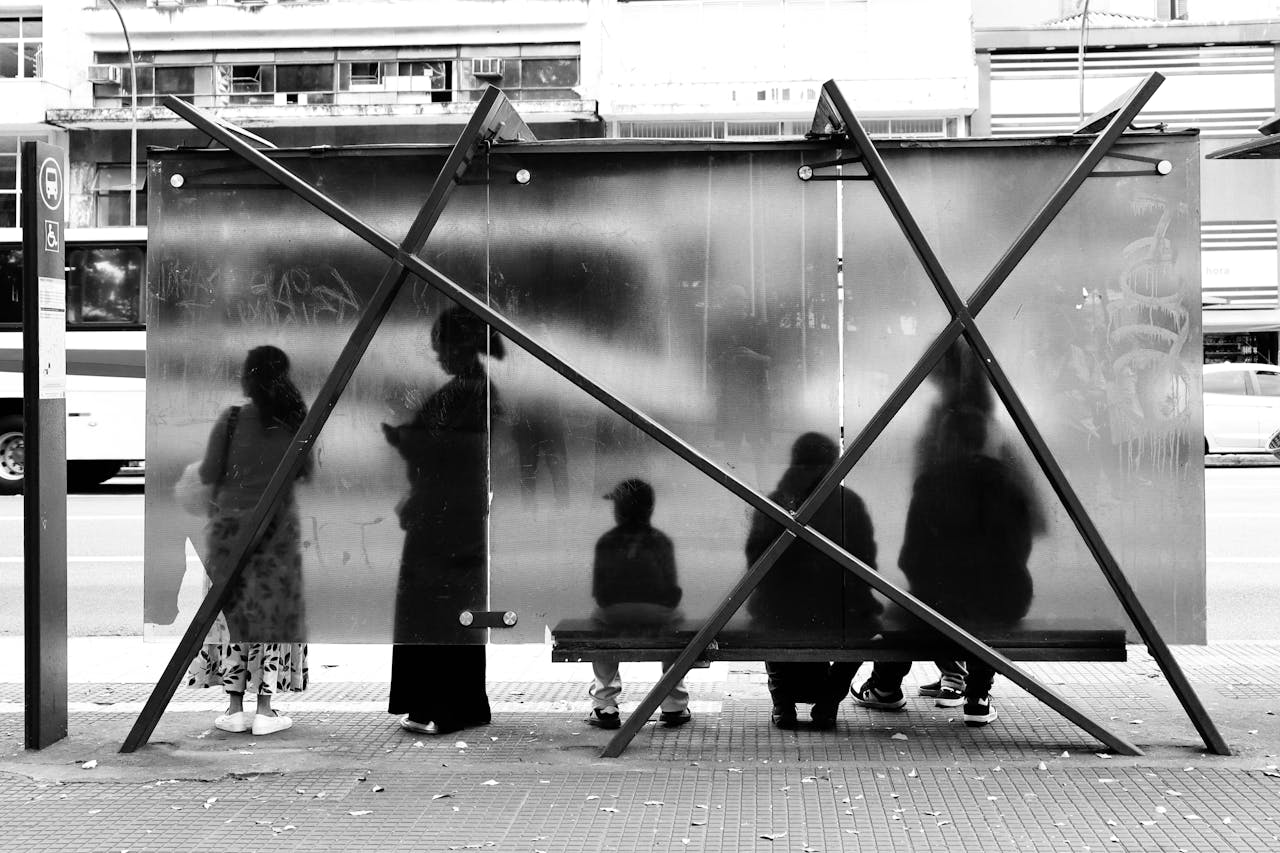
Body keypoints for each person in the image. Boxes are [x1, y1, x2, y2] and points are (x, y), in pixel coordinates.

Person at [854, 406, 1037, 727]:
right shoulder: (1008, 482)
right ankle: (978, 697)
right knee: (983, 610)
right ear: (983, 440)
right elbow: (1021, 548)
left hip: (946, 598)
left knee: (904, 610)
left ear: (946, 440)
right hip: (1009, 597)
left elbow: (910, 557)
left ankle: (885, 687)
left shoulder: (932, 483)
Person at [384, 305, 503, 736]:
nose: (438, 355)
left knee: (439, 609)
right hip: (451, 516)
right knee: (444, 609)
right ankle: (444, 702)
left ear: (461, 346)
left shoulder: (467, 393)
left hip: (446, 520)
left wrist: (408, 441)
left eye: (442, 346)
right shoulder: (473, 390)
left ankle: (446, 704)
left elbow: (449, 453)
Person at [188, 344, 311, 737]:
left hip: (229, 532)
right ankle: (265, 710)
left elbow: (208, 474)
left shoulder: (232, 419)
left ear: (247, 377)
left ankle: (234, 708)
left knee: (233, 616)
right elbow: (305, 473)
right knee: (270, 616)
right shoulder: (295, 421)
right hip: (276, 533)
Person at [746, 432, 881, 730]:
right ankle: (829, 700)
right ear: (833, 464)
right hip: (837, 608)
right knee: (869, 627)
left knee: (770, 619)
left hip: (779, 609)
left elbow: (754, 562)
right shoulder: (849, 502)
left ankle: (782, 704)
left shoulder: (774, 502)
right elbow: (866, 561)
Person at [585, 478, 691, 730]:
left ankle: (605, 703)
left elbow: (600, 594)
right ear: (650, 509)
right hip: (658, 613)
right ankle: (674, 703)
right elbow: (671, 592)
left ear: (619, 510)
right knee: (678, 621)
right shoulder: (661, 541)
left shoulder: (607, 541)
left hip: (615, 613)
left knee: (596, 623)